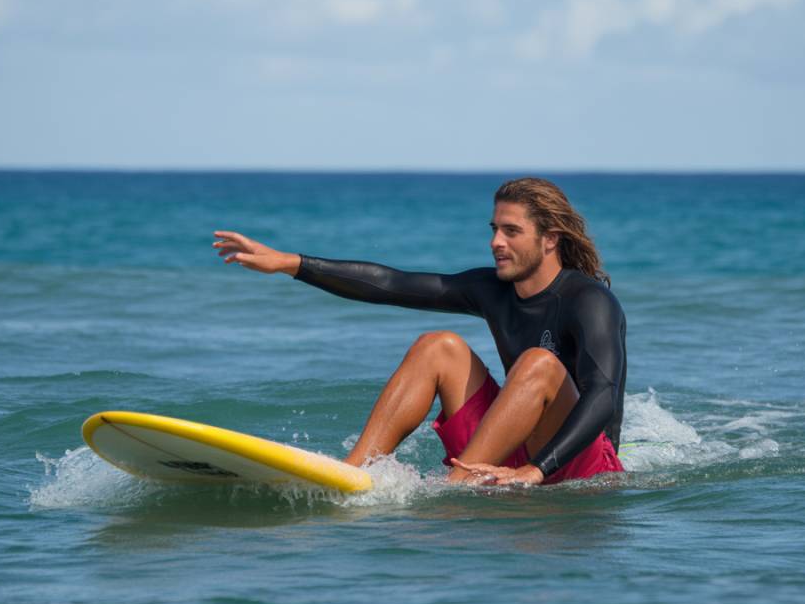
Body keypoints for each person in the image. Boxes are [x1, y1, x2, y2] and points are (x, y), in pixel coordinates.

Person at [213, 177, 626, 487]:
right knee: (438, 347)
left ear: (550, 239)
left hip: (579, 465)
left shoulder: (588, 301)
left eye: (511, 231)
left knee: (539, 362)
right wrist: (291, 263)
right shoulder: (493, 291)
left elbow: (602, 396)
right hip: (508, 456)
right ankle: (350, 475)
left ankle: (455, 489)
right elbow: (393, 283)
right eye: (494, 229)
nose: (496, 242)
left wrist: (536, 471)